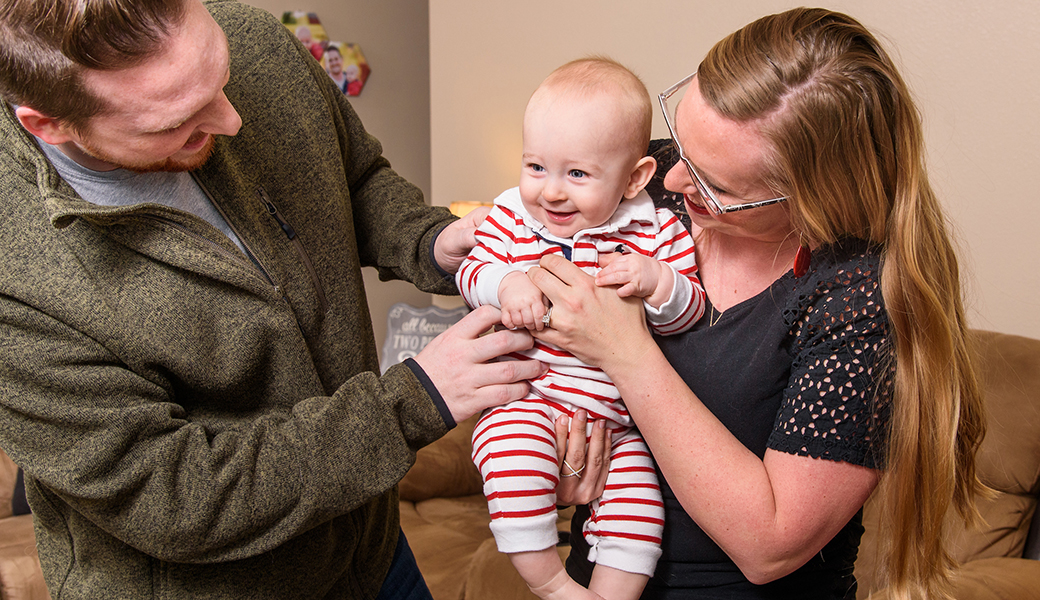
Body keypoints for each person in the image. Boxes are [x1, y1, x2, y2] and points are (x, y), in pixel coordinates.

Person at [0, 1, 544, 598]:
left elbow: (355, 178)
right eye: (176, 121)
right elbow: (177, 496)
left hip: (373, 549)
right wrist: (414, 399)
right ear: (47, 124)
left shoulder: (255, 36)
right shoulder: (14, 271)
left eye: (223, 76)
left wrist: (429, 239)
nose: (232, 121)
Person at [528, 8, 987, 600]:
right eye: (679, 140)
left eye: (716, 186)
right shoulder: (656, 181)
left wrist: (626, 353)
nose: (671, 182)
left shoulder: (861, 300)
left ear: (814, 201)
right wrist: (558, 455)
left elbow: (770, 546)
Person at [457, 58, 706, 600]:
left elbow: (690, 312)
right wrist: (506, 285)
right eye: (535, 167)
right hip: (528, 400)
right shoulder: (511, 219)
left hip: (622, 422)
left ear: (635, 177)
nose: (550, 192)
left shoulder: (656, 230)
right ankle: (551, 584)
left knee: (641, 507)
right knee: (514, 462)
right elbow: (470, 270)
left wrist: (658, 282)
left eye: (577, 174)